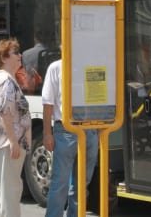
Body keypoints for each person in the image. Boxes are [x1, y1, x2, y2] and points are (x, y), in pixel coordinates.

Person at [42, 57, 98, 217]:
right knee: (60, 183)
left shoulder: (91, 65)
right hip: (66, 130)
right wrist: (47, 133)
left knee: (82, 184)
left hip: (90, 128)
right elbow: (47, 103)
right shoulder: (56, 67)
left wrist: (98, 130)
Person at [0, 39, 31, 217]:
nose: (20, 56)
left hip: (0, 142)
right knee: (10, 190)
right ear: (4, 58)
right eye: (16, 53)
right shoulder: (6, 81)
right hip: (8, 142)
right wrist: (13, 141)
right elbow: (5, 112)